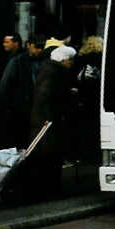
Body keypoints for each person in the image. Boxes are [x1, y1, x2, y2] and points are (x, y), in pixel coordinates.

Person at [26, 45, 77, 198]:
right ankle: (51, 190)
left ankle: (47, 189)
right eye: (70, 60)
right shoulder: (56, 73)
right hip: (50, 123)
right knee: (51, 157)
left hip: (44, 121)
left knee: (47, 157)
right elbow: (48, 97)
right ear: (63, 60)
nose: (71, 63)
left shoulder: (47, 70)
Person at [0, 35, 46, 150]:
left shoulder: (42, 61)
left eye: (41, 47)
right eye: (36, 47)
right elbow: (5, 86)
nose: (39, 50)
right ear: (28, 45)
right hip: (21, 108)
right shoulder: (18, 61)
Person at [71, 36, 103, 163]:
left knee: (83, 128)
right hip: (96, 99)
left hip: (81, 99)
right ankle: (94, 154)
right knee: (95, 128)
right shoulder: (101, 59)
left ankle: (82, 154)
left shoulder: (79, 59)